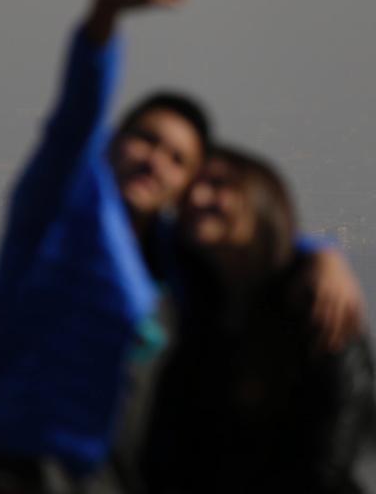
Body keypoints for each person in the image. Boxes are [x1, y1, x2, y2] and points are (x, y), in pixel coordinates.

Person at [0, 0, 364, 493]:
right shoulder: (60, 211)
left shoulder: (170, 257)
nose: (155, 161)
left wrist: (320, 252)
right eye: (145, 140)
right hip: (14, 472)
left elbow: (246, 235)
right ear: (114, 143)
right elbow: (76, 112)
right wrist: (106, 12)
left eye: (177, 160)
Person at [143, 146, 375, 493]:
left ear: (260, 197)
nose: (199, 198)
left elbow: (331, 456)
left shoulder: (317, 304)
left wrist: (325, 254)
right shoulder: (193, 302)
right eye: (189, 192)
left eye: (220, 184)